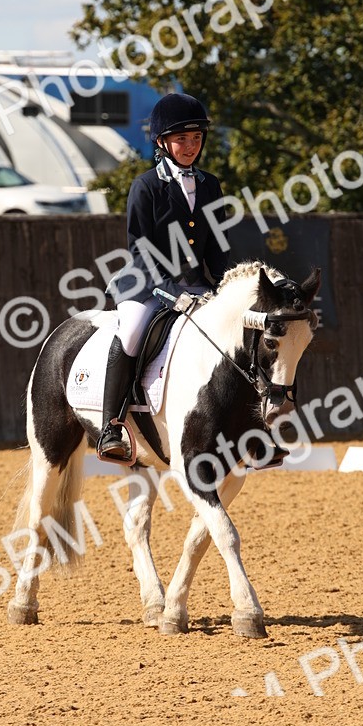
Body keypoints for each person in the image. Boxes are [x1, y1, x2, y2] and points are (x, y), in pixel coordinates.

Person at [97, 92, 231, 462]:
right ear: (162, 142)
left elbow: (216, 248)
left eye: (197, 139)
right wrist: (173, 293)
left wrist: (226, 290)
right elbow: (141, 249)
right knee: (132, 332)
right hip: (146, 283)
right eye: (182, 139)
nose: (190, 147)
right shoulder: (146, 186)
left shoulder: (209, 184)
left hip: (194, 283)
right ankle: (112, 425)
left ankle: (250, 428)